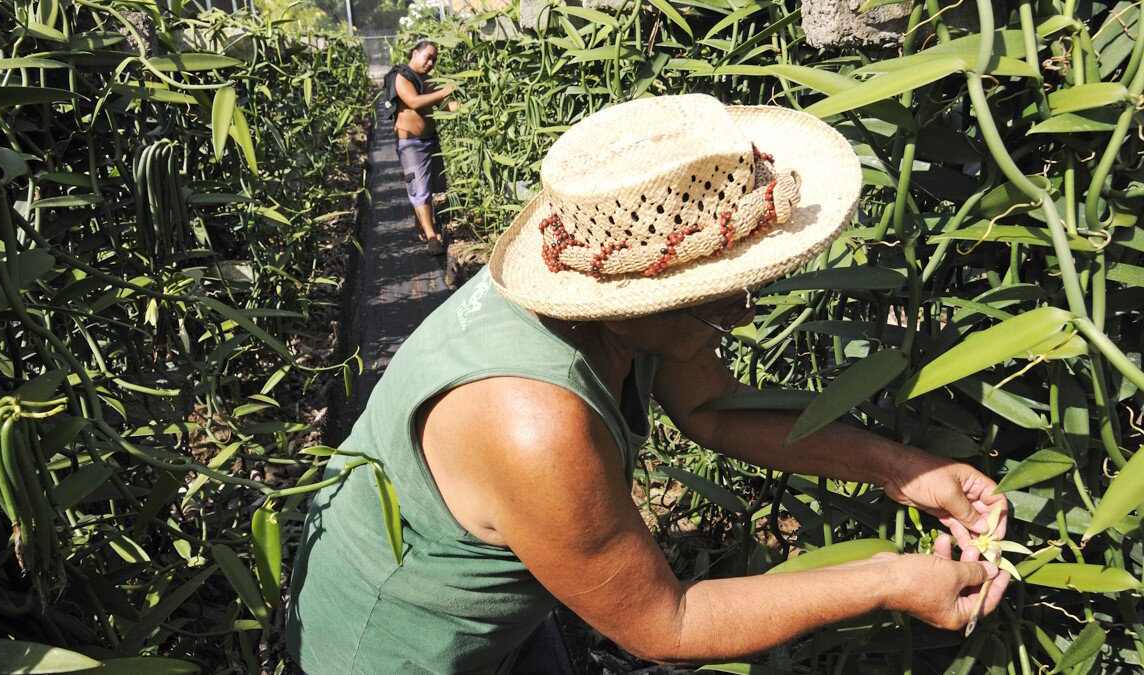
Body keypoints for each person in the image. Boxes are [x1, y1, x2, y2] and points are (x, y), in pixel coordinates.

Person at [287, 94, 1011, 673]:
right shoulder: (535, 424)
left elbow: (715, 411)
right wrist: (885, 578)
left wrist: (904, 470)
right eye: (725, 294)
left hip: (499, 617)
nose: (745, 309)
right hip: (397, 646)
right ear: (636, 300)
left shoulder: (632, 306)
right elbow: (665, 623)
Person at [392, 40, 458, 255]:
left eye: (434, 60)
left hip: (429, 139)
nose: (430, 62)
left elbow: (441, 104)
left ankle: (420, 227)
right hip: (410, 143)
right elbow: (414, 102)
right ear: (415, 53)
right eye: (427, 57)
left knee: (427, 185)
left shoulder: (425, 81)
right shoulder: (401, 77)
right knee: (419, 188)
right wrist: (445, 90)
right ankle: (432, 238)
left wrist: (463, 107)